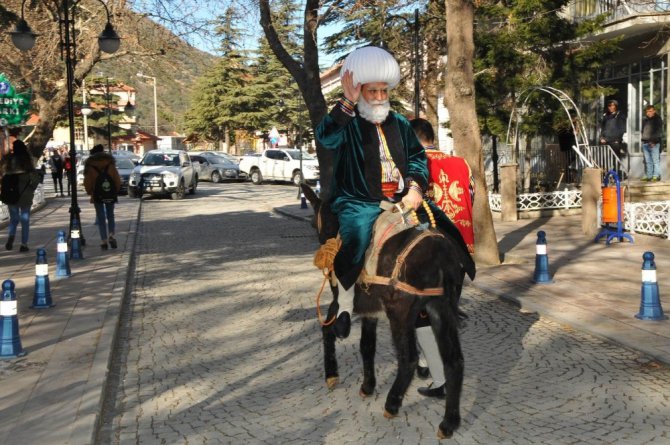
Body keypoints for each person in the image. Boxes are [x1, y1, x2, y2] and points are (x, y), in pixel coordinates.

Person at [316, 46, 473, 339]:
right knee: (357, 238)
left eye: (383, 92)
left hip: (403, 197)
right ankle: (346, 304)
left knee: (445, 229)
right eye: (371, 91)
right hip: (360, 201)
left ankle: (455, 286)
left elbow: (416, 158)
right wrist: (346, 103)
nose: (378, 98)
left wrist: (415, 187)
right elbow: (325, 137)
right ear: (360, 91)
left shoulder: (399, 122)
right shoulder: (346, 122)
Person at [410, 118, 475, 398]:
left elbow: (414, 213)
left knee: (422, 315)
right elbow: (470, 199)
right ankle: (430, 364)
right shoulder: (462, 164)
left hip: (431, 251)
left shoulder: (415, 168)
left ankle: (440, 377)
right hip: (461, 250)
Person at [0, 140, 40, 252]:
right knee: (25, 219)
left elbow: (3, 174)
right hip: (25, 194)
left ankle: (11, 236)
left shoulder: (8, 160)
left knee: (13, 219)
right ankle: (24, 244)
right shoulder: (27, 160)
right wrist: (32, 187)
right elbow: (35, 178)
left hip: (11, 194)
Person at [84, 144, 121, 250]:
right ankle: (111, 235)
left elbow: (87, 181)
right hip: (109, 193)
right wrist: (114, 191)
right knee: (110, 215)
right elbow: (117, 180)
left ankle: (103, 240)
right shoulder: (110, 163)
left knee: (101, 217)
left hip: (97, 194)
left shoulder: (90, 165)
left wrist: (90, 192)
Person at [641, 104, 663, 182]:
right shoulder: (645, 120)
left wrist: (654, 141)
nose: (649, 113)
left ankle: (656, 175)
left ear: (654, 111)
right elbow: (642, 130)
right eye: (647, 112)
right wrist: (643, 139)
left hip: (654, 143)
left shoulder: (657, 119)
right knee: (648, 161)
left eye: (650, 111)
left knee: (655, 161)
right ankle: (649, 175)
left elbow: (659, 132)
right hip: (645, 143)